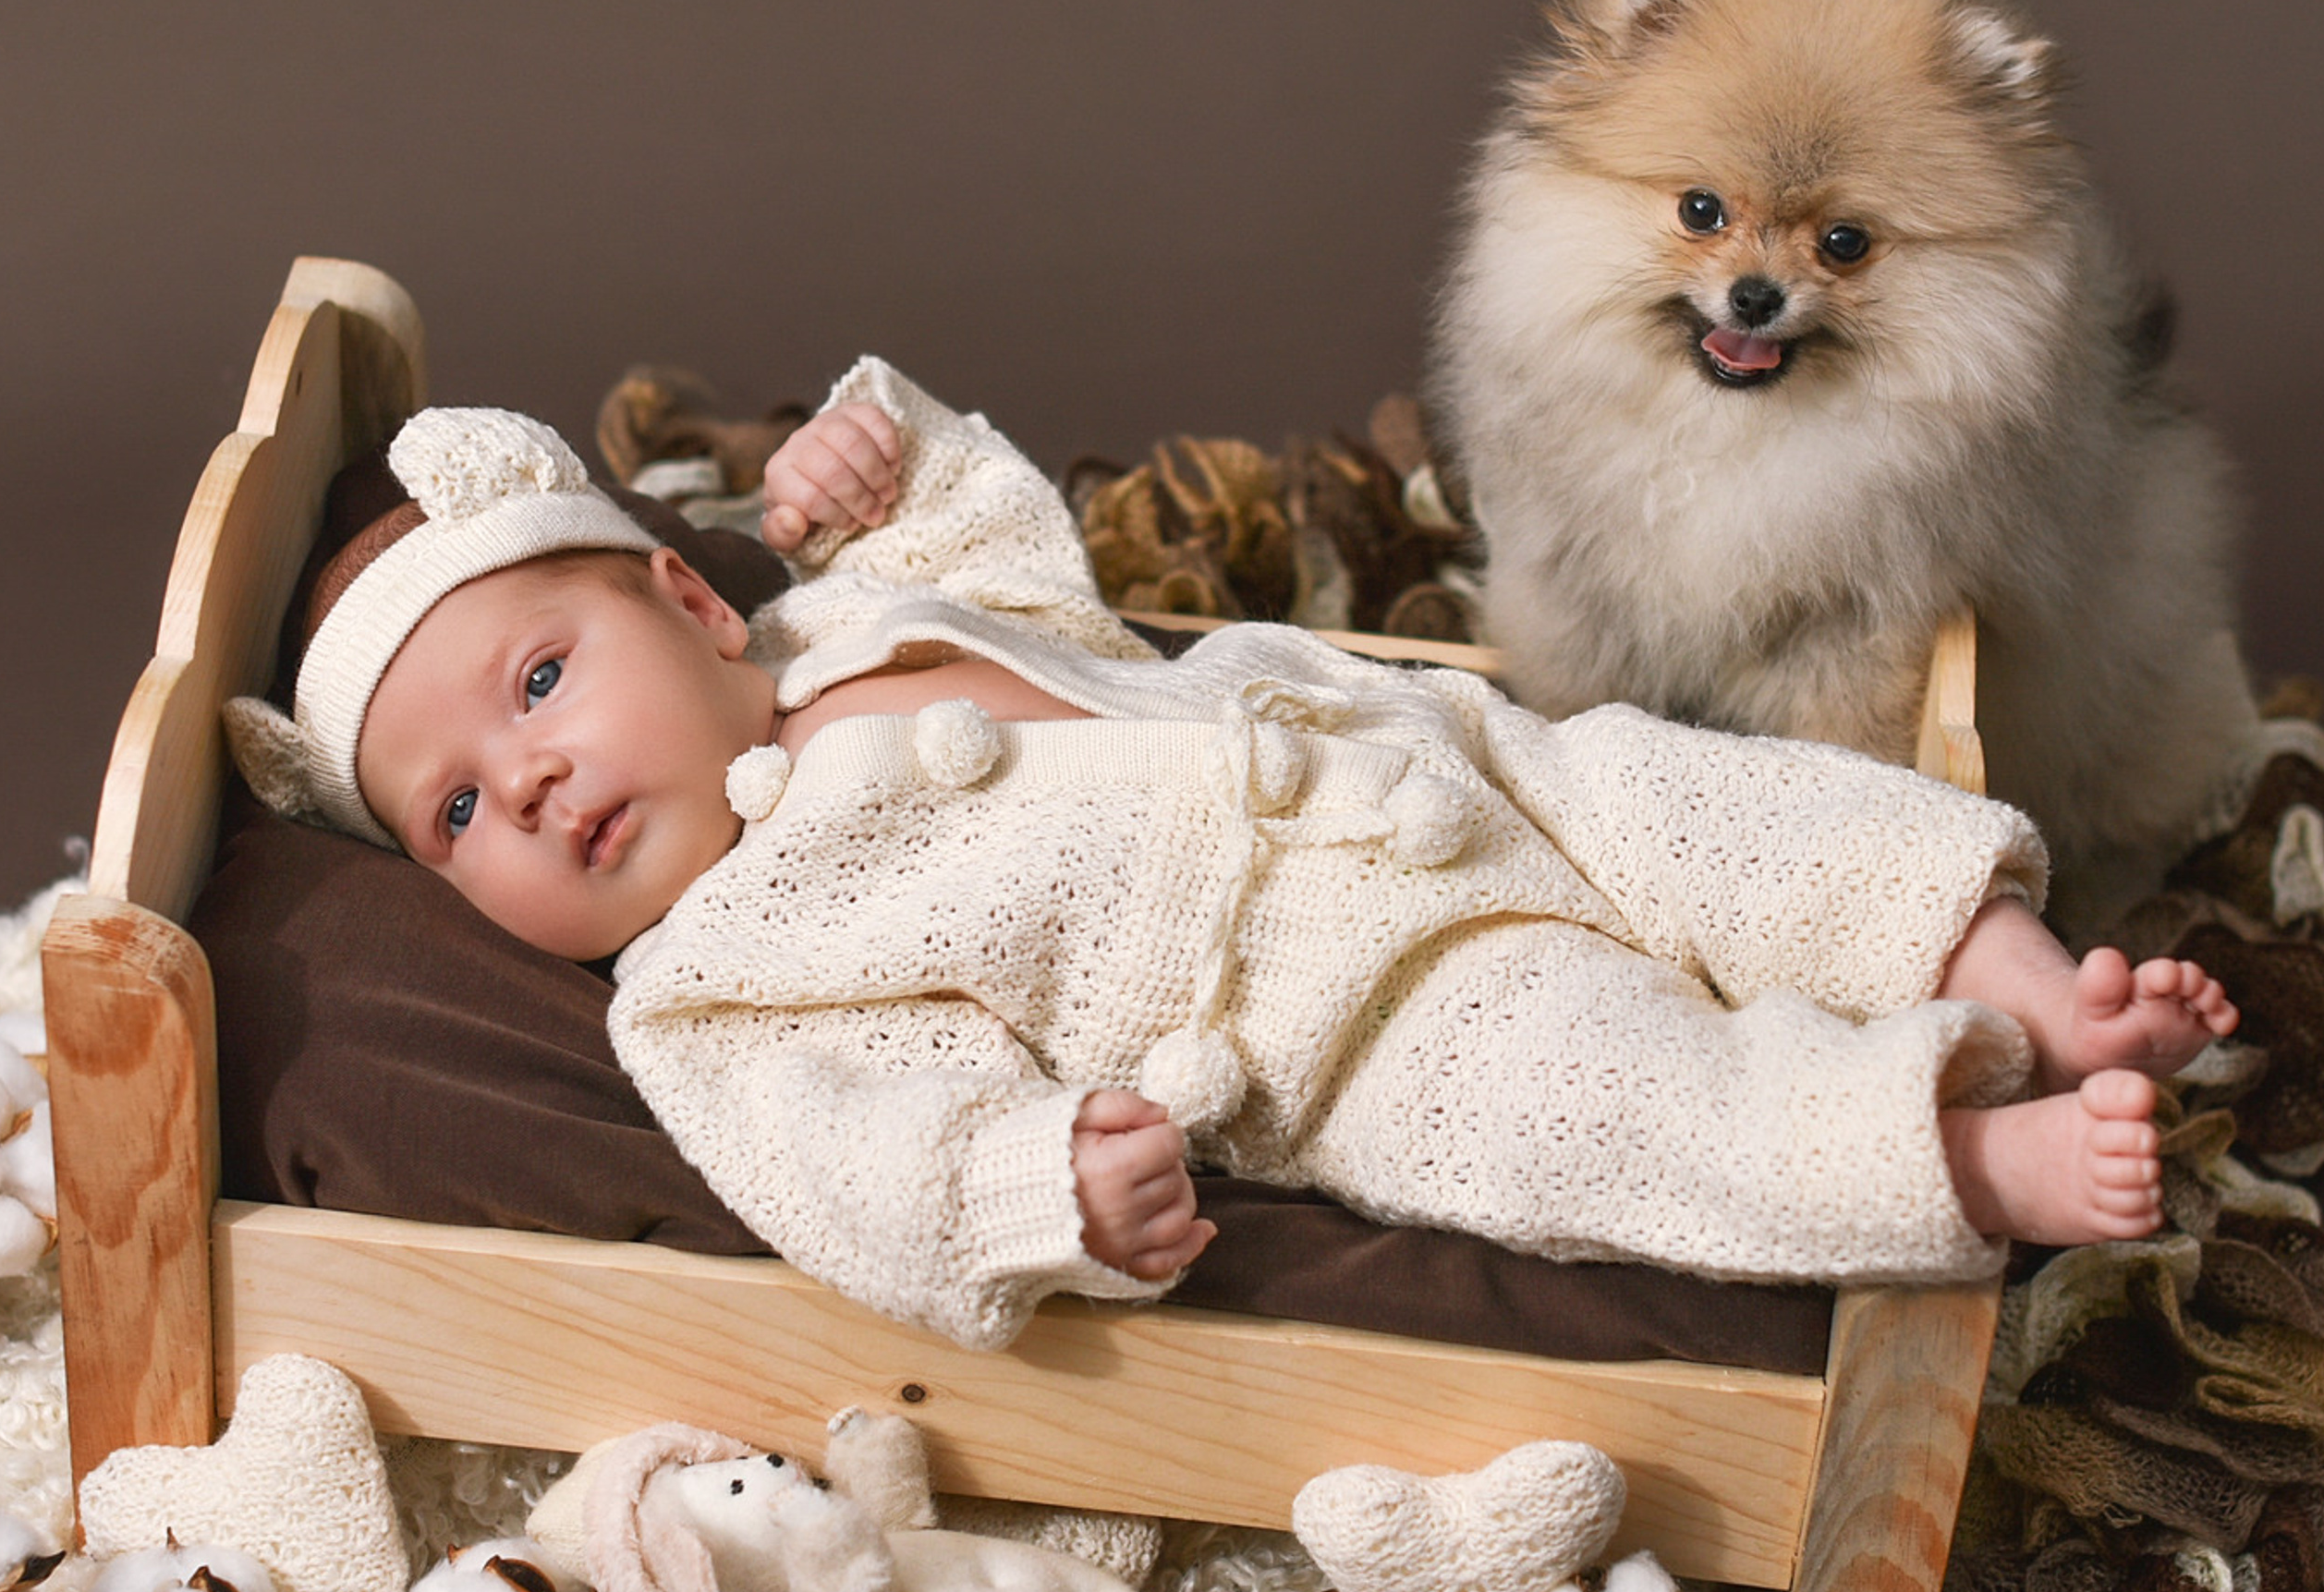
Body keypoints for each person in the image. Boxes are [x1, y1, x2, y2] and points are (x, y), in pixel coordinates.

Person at [224, 365, 2237, 1353]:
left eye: (544, 677)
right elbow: (847, 1158)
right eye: (456, 812)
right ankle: (1959, 1156)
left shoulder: (850, 623)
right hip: (1340, 1015)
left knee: (1707, 805)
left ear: (694, 594)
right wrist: (1038, 1183)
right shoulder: (711, 980)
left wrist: (880, 461)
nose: (536, 779)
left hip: (1405, 750)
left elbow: (997, 528)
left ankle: (2021, 976)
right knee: (1610, 1098)